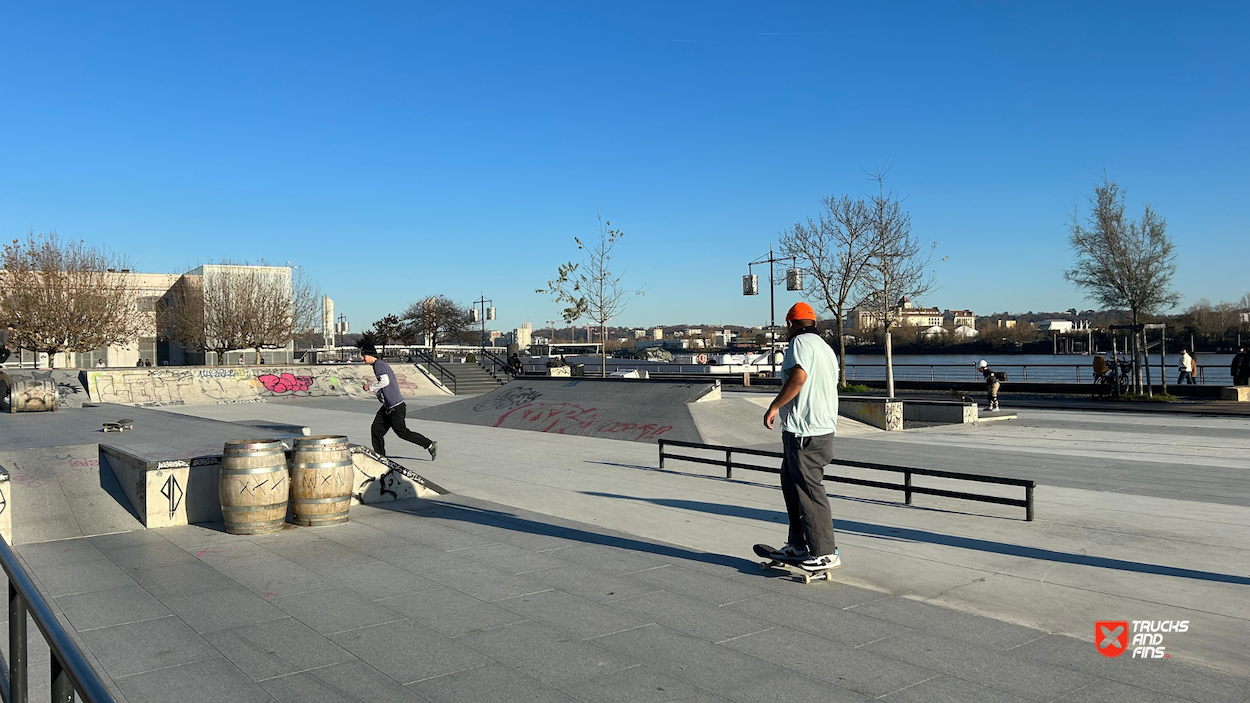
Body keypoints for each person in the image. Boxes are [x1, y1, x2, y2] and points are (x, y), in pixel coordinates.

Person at [762, 302, 841, 573]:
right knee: (793, 488)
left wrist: (774, 405)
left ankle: (825, 553)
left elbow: (798, 377)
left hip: (805, 433)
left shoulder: (800, 343)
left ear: (790, 323)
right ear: (814, 322)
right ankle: (798, 545)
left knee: (809, 491)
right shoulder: (826, 349)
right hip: (818, 430)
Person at [360, 341, 437, 461]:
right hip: (388, 407)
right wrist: (380, 393)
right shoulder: (379, 365)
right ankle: (381, 458)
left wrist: (369, 387)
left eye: (363, 356)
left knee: (402, 433)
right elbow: (386, 383)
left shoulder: (378, 365)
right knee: (376, 430)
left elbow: (385, 381)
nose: (363, 359)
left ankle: (429, 444)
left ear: (369, 355)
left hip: (396, 408)